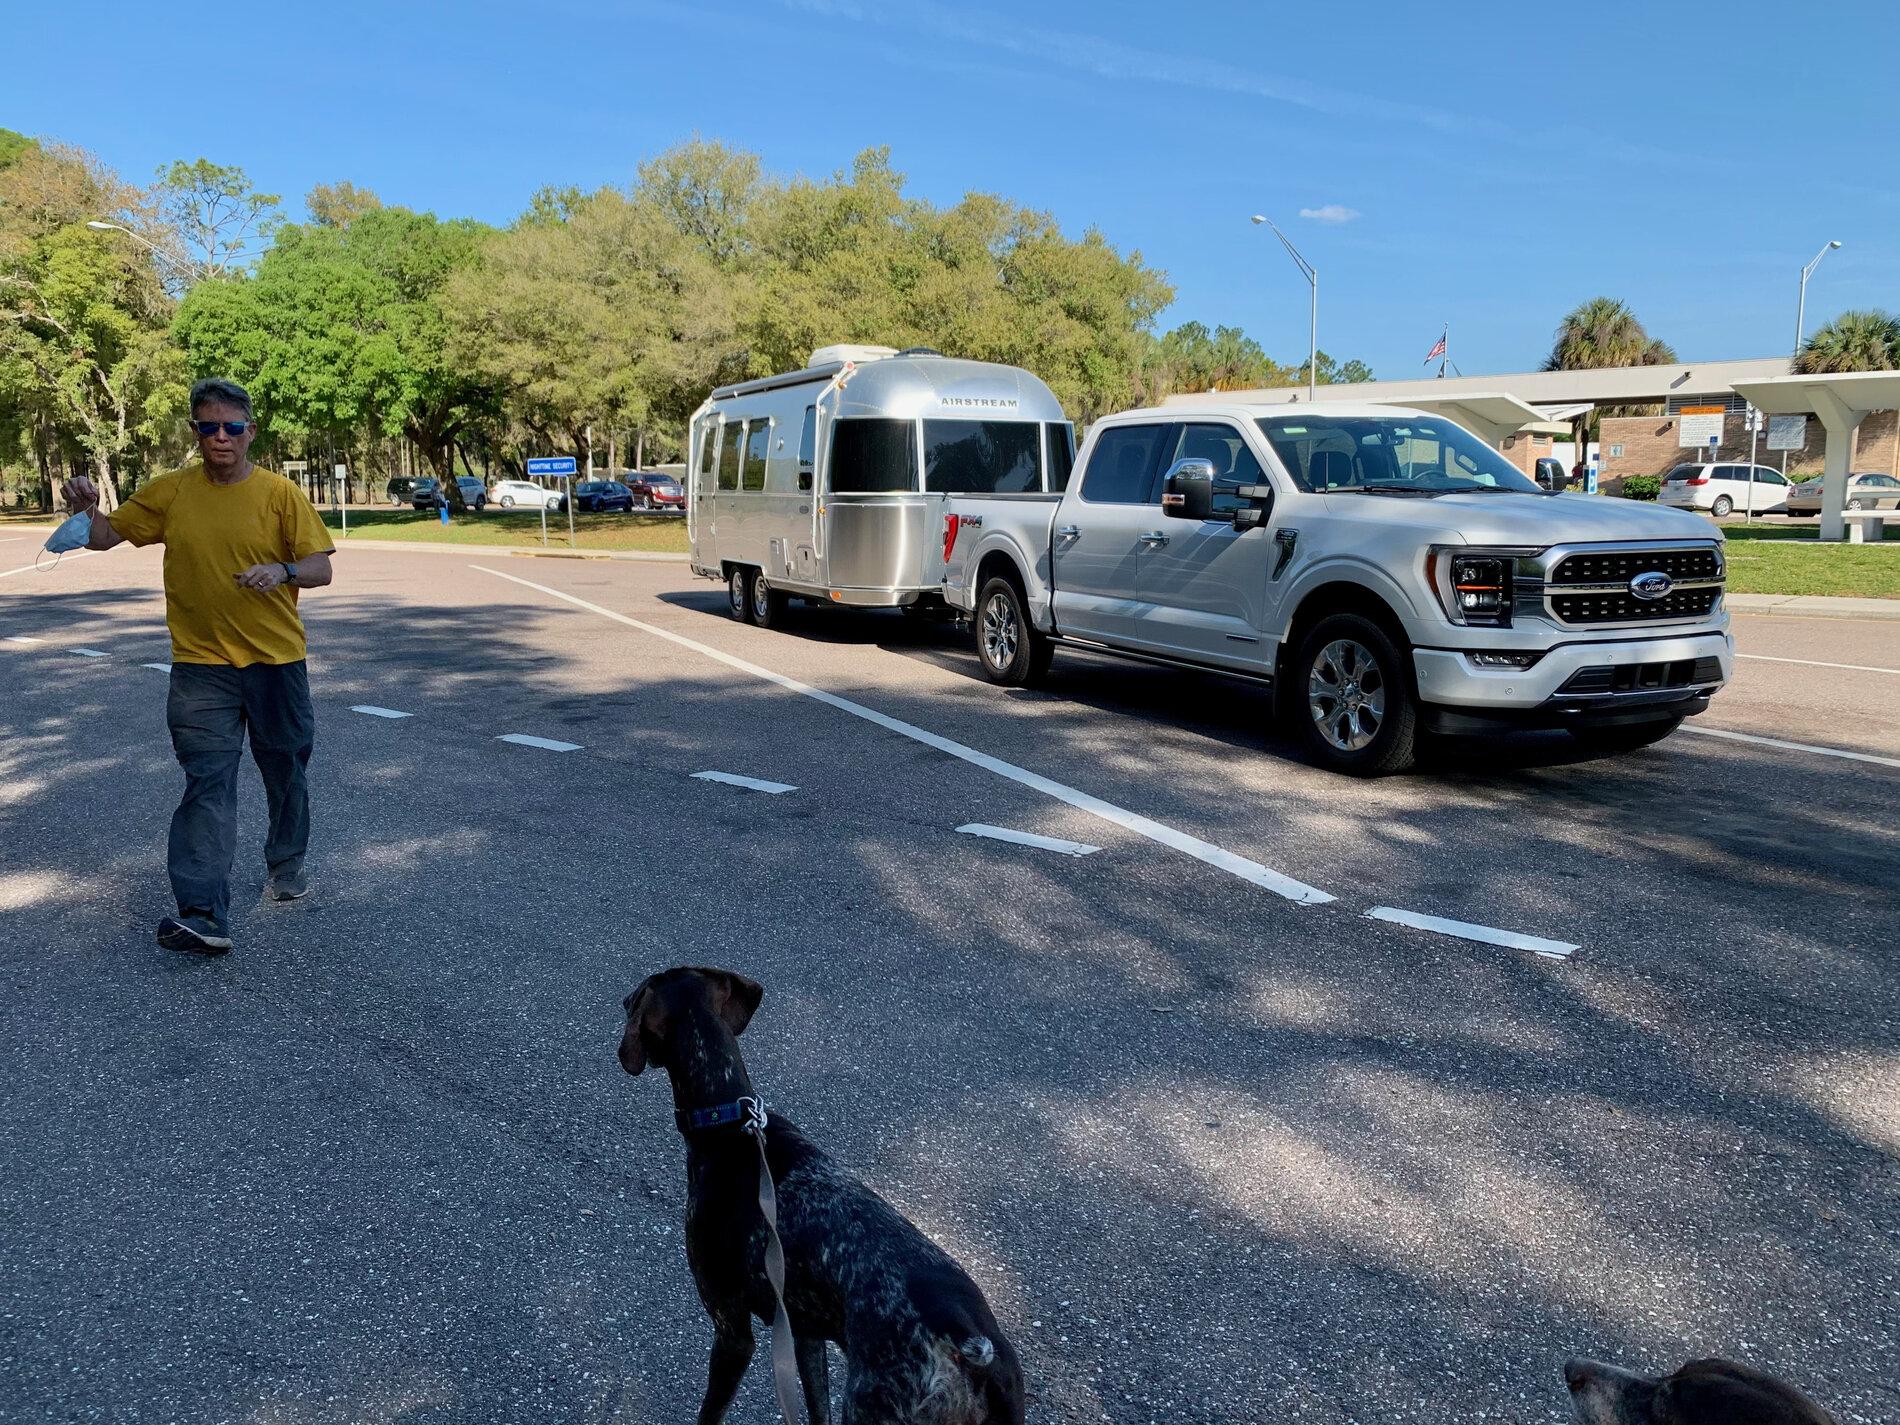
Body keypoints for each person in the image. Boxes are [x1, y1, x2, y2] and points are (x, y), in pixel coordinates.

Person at [61, 378, 336, 956]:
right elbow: (106, 537)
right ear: (194, 433)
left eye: (232, 427)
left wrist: (283, 572)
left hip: (276, 662)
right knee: (207, 783)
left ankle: (286, 860)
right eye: (208, 427)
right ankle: (203, 912)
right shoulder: (172, 491)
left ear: (250, 432)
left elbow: (319, 567)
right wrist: (86, 508)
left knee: (285, 769)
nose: (221, 438)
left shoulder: (279, 494)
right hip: (199, 666)